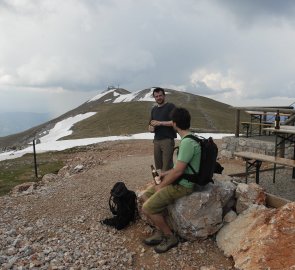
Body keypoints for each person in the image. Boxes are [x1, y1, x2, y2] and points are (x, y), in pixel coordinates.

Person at [142, 107, 201, 253]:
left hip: (183, 185)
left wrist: (161, 185)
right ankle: (160, 230)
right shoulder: (191, 137)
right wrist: (164, 173)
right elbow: (178, 168)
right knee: (145, 195)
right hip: (179, 180)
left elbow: (179, 172)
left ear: (174, 124)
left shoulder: (187, 143)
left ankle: (170, 237)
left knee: (147, 207)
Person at [149, 87, 177, 172]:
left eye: (160, 95)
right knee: (159, 166)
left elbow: (176, 122)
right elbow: (150, 124)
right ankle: (163, 182)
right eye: (156, 96)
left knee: (167, 166)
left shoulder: (170, 106)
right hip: (156, 140)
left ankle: (169, 183)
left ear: (164, 96)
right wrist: (151, 128)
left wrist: (161, 123)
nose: (158, 98)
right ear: (154, 98)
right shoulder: (154, 109)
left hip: (167, 140)